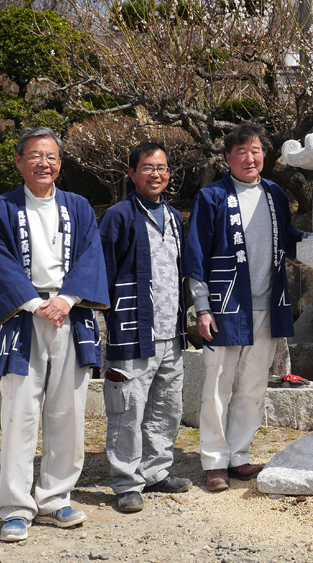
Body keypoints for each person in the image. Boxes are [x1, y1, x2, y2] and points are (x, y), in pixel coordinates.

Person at [0, 127, 109, 542]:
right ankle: (16, 507)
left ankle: (56, 497)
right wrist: (37, 304)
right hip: (24, 316)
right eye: (34, 155)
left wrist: (67, 299)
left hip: (70, 315)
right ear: (18, 161)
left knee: (68, 411)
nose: (44, 163)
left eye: (51, 156)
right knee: (20, 413)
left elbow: (91, 254)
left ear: (60, 163)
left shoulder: (79, 206)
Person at [183, 123, 305, 492]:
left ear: (264, 156)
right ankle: (214, 461)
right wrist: (202, 307)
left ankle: (239, 455)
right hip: (225, 306)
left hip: (269, 305)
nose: (249, 158)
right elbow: (196, 255)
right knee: (218, 383)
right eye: (241, 152)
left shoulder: (275, 195)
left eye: (255, 151)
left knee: (252, 386)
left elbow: (289, 237)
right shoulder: (212, 197)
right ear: (227, 158)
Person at [98, 142, 191, 514]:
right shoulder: (118, 216)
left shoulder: (173, 216)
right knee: (127, 409)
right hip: (132, 330)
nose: (156, 174)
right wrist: (107, 321)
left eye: (163, 168)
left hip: (171, 331)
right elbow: (102, 272)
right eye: (148, 167)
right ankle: (125, 481)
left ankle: (155, 472)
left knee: (166, 408)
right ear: (133, 173)